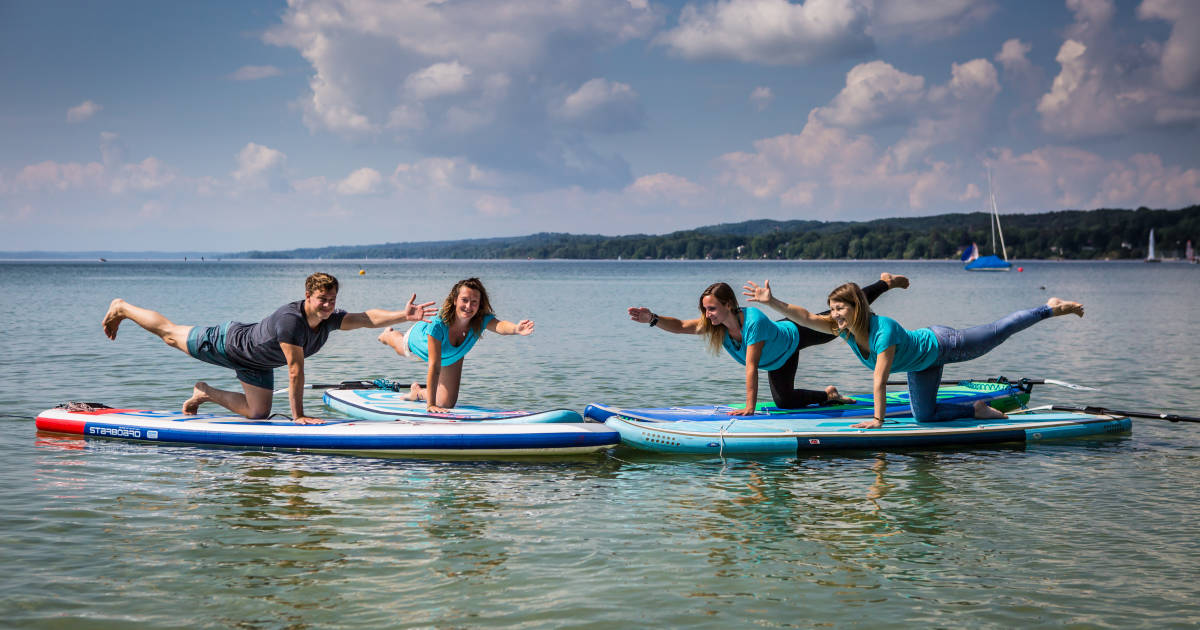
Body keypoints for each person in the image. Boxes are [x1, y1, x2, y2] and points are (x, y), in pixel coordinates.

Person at [101, 272, 435, 424]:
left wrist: (402, 315)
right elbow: (294, 371)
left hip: (256, 364)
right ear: (308, 296)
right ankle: (123, 307)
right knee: (170, 334)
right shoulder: (290, 321)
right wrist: (298, 416)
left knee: (257, 414)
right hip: (227, 342)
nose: (328, 306)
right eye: (322, 300)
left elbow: (365, 318)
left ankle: (203, 392)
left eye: (332, 300)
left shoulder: (330, 318)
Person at [743, 279, 1084, 428]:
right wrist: (772, 302)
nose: (833, 315)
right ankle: (976, 409)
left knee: (996, 333)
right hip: (922, 367)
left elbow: (880, 380)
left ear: (856, 307)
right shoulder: (841, 329)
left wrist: (878, 420)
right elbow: (805, 317)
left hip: (943, 344)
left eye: (839, 308)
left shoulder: (884, 330)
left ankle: (1049, 309)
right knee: (925, 417)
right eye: (831, 309)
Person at [626, 273, 909, 416]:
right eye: (705, 309)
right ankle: (829, 395)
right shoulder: (717, 326)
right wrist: (653, 318)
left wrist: (750, 407)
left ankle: (883, 283)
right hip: (780, 359)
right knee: (784, 402)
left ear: (728, 305)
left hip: (796, 334)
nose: (707, 314)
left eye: (711, 308)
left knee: (841, 318)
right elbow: (680, 326)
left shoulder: (754, 322)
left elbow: (751, 367)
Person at [377, 277, 534, 413]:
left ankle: (417, 393)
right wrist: (430, 405)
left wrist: (516, 329)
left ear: (479, 305)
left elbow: (499, 326)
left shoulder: (480, 320)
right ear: (454, 300)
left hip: (453, 355)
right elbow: (434, 366)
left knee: (446, 403)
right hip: (420, 340)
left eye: (474, 302)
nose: (468, 306)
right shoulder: (438, 325)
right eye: (464, 300)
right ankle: (388, 335)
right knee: (402, 348)